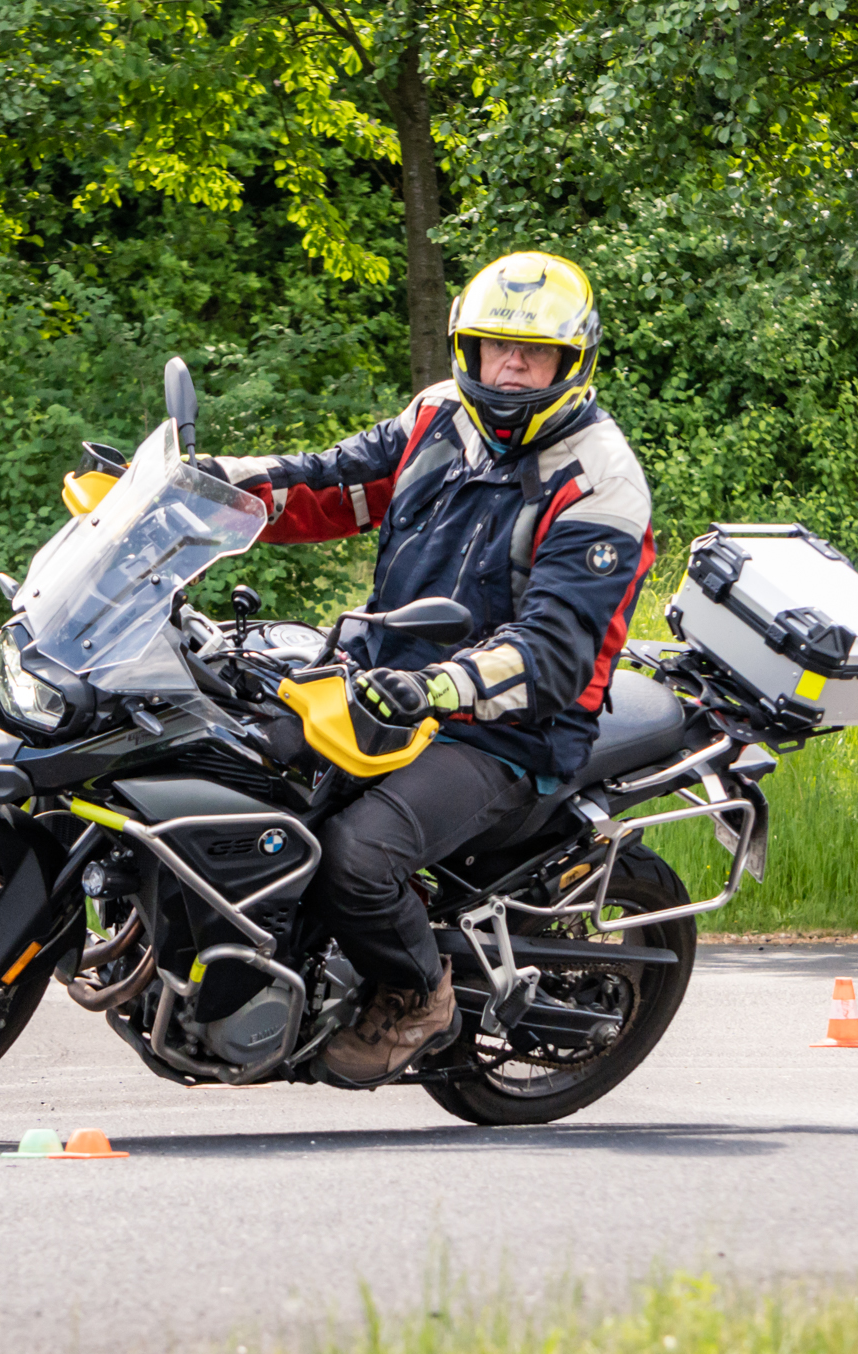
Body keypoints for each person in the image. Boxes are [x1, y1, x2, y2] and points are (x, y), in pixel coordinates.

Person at [196, 251, 655, 1086]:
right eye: (495, 346)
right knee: (232, 764)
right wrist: (201, 488)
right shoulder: (440, 416)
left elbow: (553, 651)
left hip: (505, 733)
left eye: (534, 352)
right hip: (381, 689)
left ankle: (418, 996)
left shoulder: (600, 481)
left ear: (572, 361)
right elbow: (332, 483)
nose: (509, 367)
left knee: (356, 856)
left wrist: (439, 686)